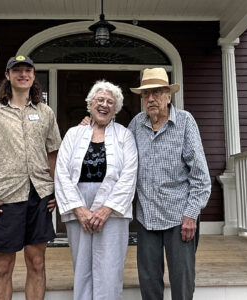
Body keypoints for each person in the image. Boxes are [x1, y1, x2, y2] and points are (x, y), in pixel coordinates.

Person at [0, 55, 61, 300]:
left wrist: (57, 190)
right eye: (17, 70)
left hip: (39, 195)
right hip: (4, 196)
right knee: (2, 266)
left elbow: (53, 153)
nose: (23, 74)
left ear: (33, 76)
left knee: (37, 262)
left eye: (27, 70)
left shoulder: (45, 113)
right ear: (8, 76)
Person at [128, 67, 211, 300]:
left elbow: (200, 177)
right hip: (147, 216)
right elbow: (117, 150)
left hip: (180, 218)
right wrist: (90, 124)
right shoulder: (136, 124)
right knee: (149, 281)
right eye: (146, 94)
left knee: (182, 281)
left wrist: (191, 215)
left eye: (156, 93)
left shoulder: (184, 122)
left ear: (168, 95)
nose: (151, 99)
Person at [54, 80, 138, 300]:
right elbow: (61, 173)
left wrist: (106, 209)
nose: (104, 104)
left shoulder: (124, 135)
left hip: (113, 210)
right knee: (82, 267)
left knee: (110, 268)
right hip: (78, 206)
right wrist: (80, 209)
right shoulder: (73, 134)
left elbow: (129, 175)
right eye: (100, 99)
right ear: (90, 104)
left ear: (116, 109)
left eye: (110, 102)